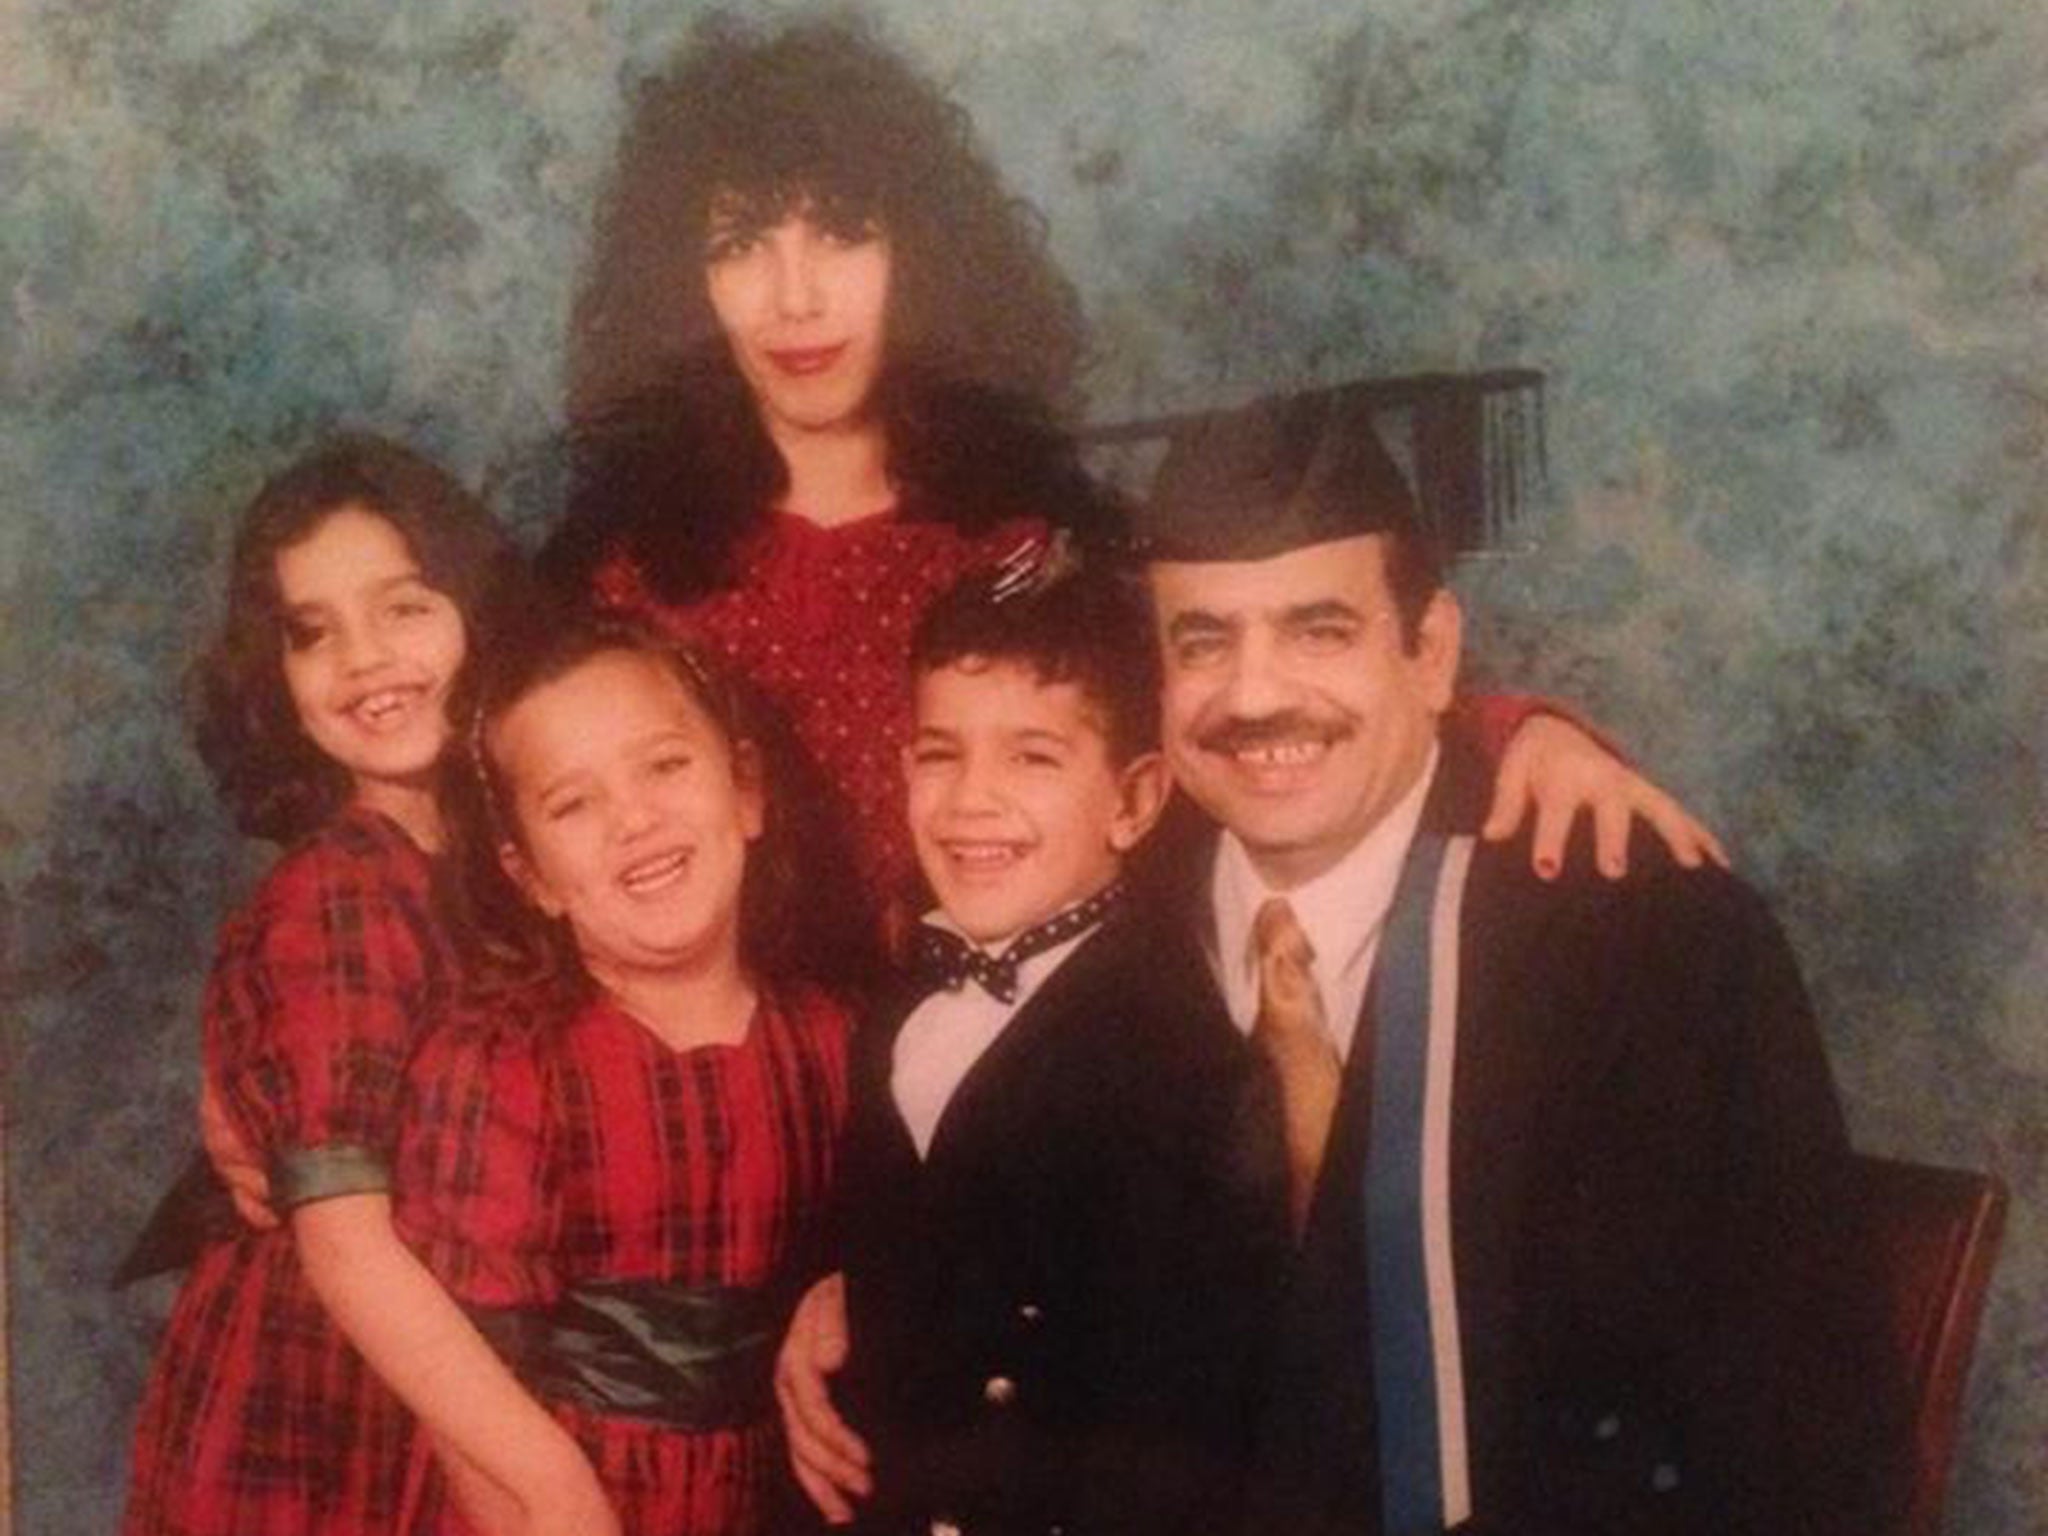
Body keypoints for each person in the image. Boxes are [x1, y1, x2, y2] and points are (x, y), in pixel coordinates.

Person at [780, 393, 1903, 1534]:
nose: (1257, 695)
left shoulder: (1640, 947)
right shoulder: (1107, 912)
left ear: (1431, 654)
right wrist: (843, 1295)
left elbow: (1794, 1444)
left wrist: (1525, 727)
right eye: (1202, 640)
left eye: (1319, 629)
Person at [539, 12, 1720, 966]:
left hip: (1017, 1104)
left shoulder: (1033, 540)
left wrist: (1523, 732)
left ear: (921, 257)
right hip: (720, 1122)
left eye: (841, 236)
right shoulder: (624, 575)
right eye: (740, 245)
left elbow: (1246, 711)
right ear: (680, 287)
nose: (794, 297)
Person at [122, 438, 617, 1536]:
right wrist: (554, 1486)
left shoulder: (497, 861)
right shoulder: (337, 894)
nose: (365, 661)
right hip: (322, 1404)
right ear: (275, 673)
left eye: (404, 607)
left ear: (477, 614)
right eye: (312, 633)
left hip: (452, 1383)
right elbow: (346, 1243)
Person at [814, 562, 1286, 1534]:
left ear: (1134, 799)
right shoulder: (896, 1003)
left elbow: (1177, 1431)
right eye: (939, 755)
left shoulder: (1176, 1059)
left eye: (1031, 757)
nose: (969, 801)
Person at [393, 613, 851, 1536]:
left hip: (776, 1501)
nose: (635, 820)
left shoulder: (835, 1040)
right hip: (559, 1502)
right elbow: (466, 1407)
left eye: (666, 766)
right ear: (532, 878)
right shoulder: (505, 1065)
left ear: (748, 792)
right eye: (574, 804)